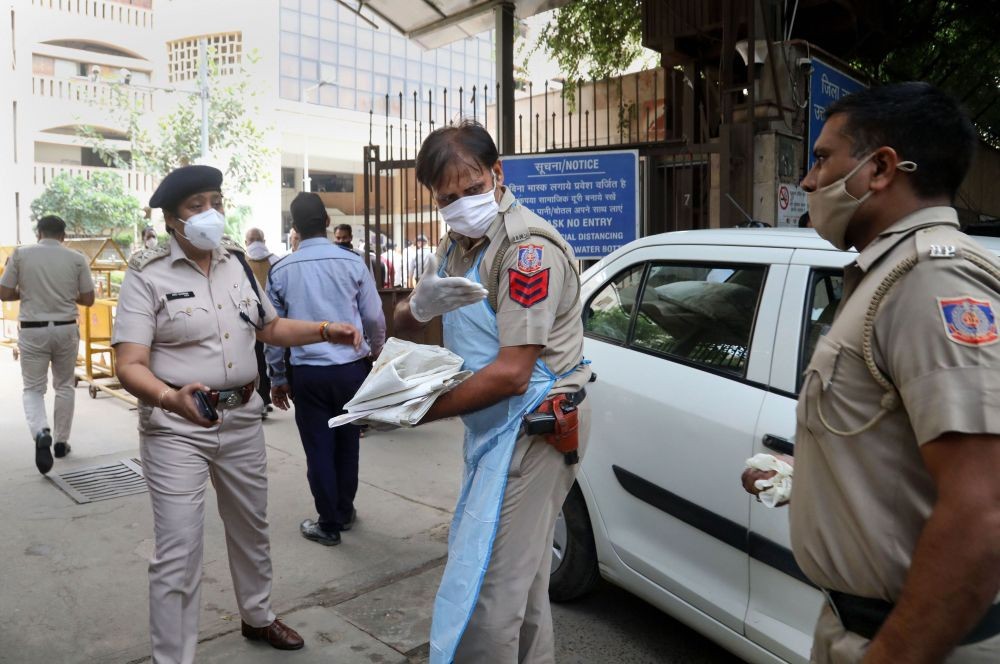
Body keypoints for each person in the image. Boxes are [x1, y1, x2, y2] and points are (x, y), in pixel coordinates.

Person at [741, 83, 1000, 663]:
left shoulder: (932, 281)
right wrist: (801, 475)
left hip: (909, 642)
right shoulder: (885, 275)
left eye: (822, 158)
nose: (807, 182)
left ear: (880, 168)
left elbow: (983, 510)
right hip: (859, 626)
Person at [112, 165, 362, 663]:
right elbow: (129, 363)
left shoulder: (236, 265)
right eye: (196, 205)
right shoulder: (147, 273)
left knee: (251, 525)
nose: (211, 213)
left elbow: (269, 328)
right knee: (178, 550)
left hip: (242, 416)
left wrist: (325, 329)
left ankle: (258, 615)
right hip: (177, 426)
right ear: (172, 220)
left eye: (216, 200)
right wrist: (168, 397)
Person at [393, 121, 592, 663]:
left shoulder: (528, 252)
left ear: (497, 174)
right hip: (494, 427)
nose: (461, 204)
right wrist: (418, 308)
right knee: (521, 586)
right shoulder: (457, 246)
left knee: (489, 589)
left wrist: (416, 410)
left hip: (532, 427)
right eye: (447, 197)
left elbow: (511, 374)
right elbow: (407, 324)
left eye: (473, 188)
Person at [266, 193, 386, 546]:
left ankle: (328, 523)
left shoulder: (281, 270)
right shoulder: (353, 262)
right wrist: (376, 354)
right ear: (328, 223)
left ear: (295, 229)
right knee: (348, 442)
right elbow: (374, 317)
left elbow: (272, 332)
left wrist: (278, 377)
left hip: (309, 375)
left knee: (319, 446)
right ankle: (344, 511)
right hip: (351, 370)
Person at [0, 215, 94, 475]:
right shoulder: (76, 258)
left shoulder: (21, 254)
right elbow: (88, 299)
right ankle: (62, 443)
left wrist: (28, 292)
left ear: (38, 233)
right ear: (63, 236)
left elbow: (4, 293)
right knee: (64, 385)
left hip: (33, 331)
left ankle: (41, 431)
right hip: (65, 328)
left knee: (33, 389)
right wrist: (64, 294)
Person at [244, 227, 281, 418]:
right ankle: (267, 397)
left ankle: (260, 399)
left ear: (246, 242)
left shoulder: (241, 263)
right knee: (272, 359)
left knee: (256, 359)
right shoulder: (276, 261)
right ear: (264, 241)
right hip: (275, 320)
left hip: (250, 322)